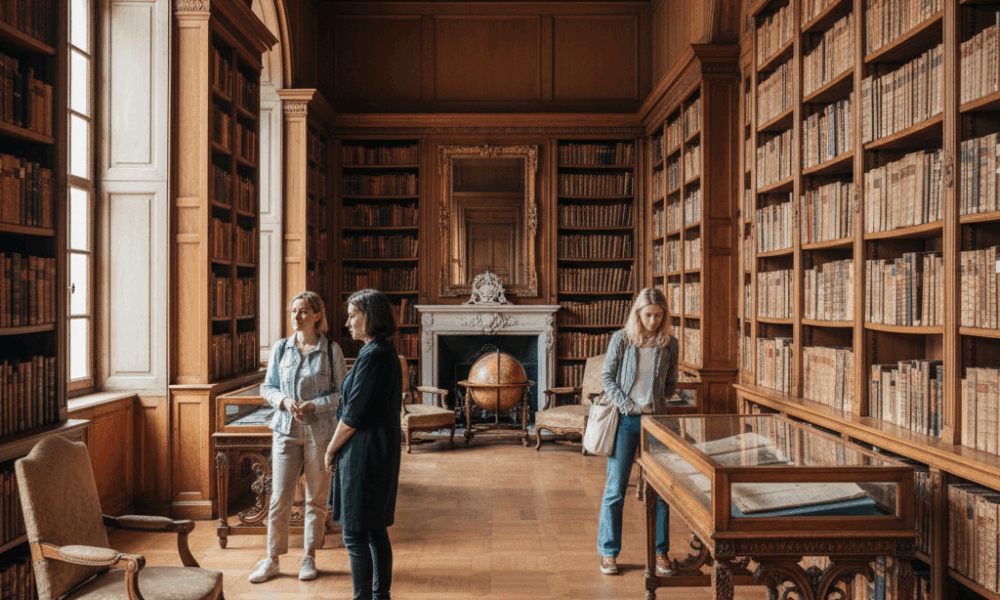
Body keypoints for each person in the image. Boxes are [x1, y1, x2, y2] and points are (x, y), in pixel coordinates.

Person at [249, 291, 348, 583]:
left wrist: (314, 405)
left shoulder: (332, 350)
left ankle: (309, 557)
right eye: (294, 311)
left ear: (317, 315)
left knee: (316, 498)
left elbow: (342, 394)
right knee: (279, 496)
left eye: (303, 311)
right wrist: (285, 402)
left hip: (320, 432)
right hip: (285, 430)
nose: (296, 317)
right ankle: (272, 559)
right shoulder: (281, 349)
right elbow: (267, 388)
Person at [325, 289, 402, 600]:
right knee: (374, 530)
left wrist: (330, 449)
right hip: (377, 450)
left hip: (365, 454)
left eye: (352, 315)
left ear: (370, 316)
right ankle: (380, 596)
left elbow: (353, 415)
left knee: (356, 534)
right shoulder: (381, 351)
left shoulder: (374, 356)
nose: (347, 323)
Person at [597, 287, 679, 576]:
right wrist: (628, 404)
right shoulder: (621, 339)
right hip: (625, 421)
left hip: (657, 423)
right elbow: (607, 377)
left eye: (659, 315)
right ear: (637, 313)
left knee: (660, 491)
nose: (653, 321)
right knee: (616, 488)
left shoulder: (670, 343)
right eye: (648, 315)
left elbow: (671, 382)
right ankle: (608, 553)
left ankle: (661, 553)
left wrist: (656, 400)